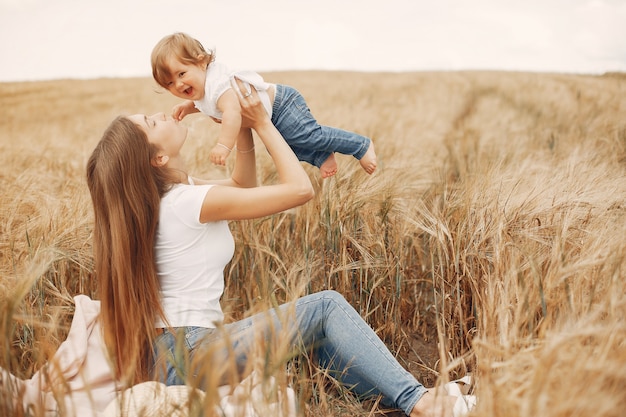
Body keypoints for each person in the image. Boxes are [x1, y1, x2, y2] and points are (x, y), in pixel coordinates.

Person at [85, 77, 459, 417]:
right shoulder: (184, 204)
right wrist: (263, 122)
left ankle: (396, 403)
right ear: (158, 158)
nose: (160, 114)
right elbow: (300, 190)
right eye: (151, 123)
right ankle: (422, 403)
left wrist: (242, 127)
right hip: (193, 353)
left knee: (315, 337)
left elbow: (243, 185)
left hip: (169, 358)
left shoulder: (167, 199)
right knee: (326, 306)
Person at [150, 32, 377, 178]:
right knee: (278, 147)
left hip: (282, 104)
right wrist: (188, 108)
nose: (178, 84)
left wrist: (223, 145)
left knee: (308, 135)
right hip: (270, 115)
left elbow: (231, 112)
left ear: (201, 62)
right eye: (170, 83)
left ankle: (360, 145)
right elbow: (201, 102)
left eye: (181, 73)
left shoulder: (217, 84)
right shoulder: (202, 90)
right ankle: (321, 157)